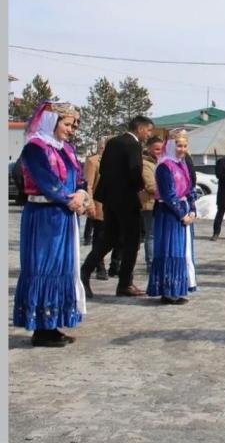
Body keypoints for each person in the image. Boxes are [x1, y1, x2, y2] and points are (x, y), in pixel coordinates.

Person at [14, 101, 91, 347]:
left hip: (64, 215)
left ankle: (53, 323)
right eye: (67, 124)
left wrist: (81, 194)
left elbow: (79, 178)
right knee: (44, 266)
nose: (71, 130)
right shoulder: (35, 148)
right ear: (52, 122)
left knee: (61, 267)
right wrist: (70, 200)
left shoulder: (66, 149)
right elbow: (47, 181)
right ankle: (41, 328)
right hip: (44, 216)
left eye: (73, 126)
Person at [81, 115, 155, 298]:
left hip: (109, 199)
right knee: (132, 242)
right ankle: (125, 283)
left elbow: (103, 168)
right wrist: (141, 188)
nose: (149, 134)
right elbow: (135, 171)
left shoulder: (113, 142)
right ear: (140, 128)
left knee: (109, 239)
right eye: (148, 130)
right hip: (127, 200)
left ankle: (85, 271)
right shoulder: (133, 144)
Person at [146, 129, 198, 304]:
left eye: (184, 146)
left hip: (182, 210)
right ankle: (167, 291)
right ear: (170, 146)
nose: (182, 149)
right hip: (169, 213)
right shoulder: (164, 166)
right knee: (170, 250)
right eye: (178, 145)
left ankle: (179, 288)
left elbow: (190, 188)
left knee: (182, 251)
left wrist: (192, 209)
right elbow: (168, 194)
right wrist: (182, 215)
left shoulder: (182, 164)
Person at [83, 136, 122, 280]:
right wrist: (90, 204)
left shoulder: (120, 161)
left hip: (117, 205)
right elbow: (88, 185)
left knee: (119, 237)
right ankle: (99, 266)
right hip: (100, 205)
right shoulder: (93, 161)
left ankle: (115, 265)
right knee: (100, 238)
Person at [139, 136, 163, 271]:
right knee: (151, 235)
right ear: (149, 149)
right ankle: (151, 263)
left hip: (162, 203)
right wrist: (168, 190)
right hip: (151, 203)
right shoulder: (146, 164)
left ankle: (159, 261)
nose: (159, 152)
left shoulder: (163, 162)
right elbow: (150, 186)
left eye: (161, 149)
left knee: (160, 234)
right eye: (156, 149)